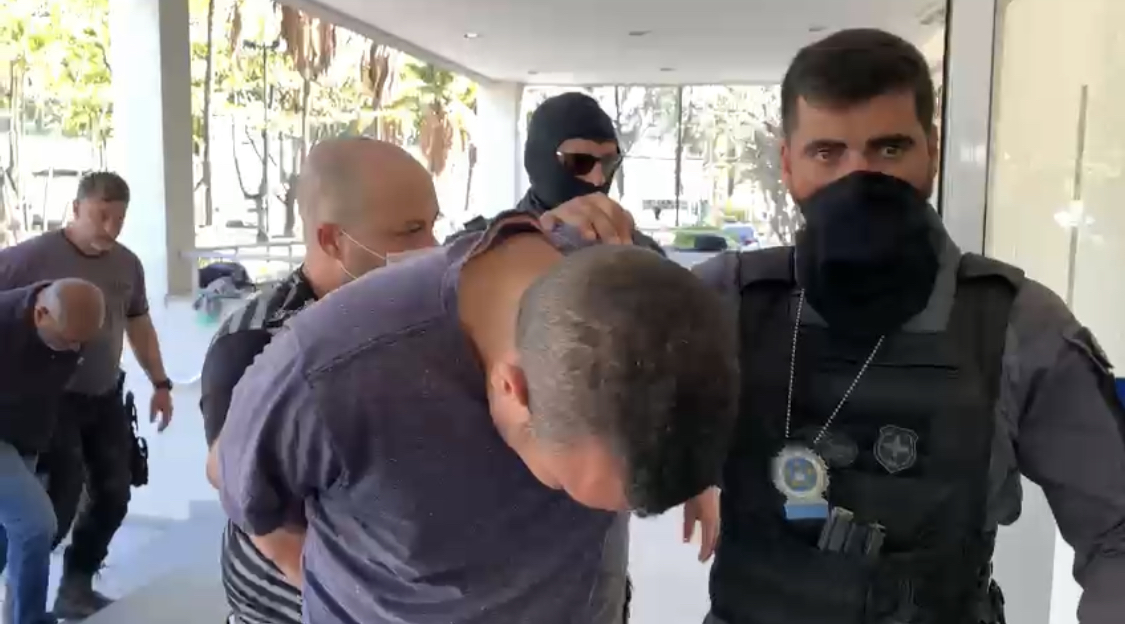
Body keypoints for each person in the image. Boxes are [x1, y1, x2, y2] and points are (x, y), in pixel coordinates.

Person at [555, 27, 1125, 624]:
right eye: (828, 153)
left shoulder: (1018, 327)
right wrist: (562, 243)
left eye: (889, 149)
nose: (859, 178)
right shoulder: (726, 300)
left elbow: (1116, 531)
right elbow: (567, 391)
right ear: (788, 164)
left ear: (932, 152)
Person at [214, 211, 739, 624]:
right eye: (562, 487)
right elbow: (240, 487)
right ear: (513, 390)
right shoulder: (332, 365)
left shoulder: (631, 294)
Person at [199, 137, 441, 624]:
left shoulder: (408, 311)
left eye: (434, 225)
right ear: (332, 239)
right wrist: (361, 602)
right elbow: (259, 512)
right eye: (411, 230)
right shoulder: (258, 343)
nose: (432, 248)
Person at [0, 171, 174, 619]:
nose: (111, 229)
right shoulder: (28, 258)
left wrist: (160, 382)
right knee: (51, 508)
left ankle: (75, 585)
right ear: (76, 209)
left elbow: (138, 322)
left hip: (104, 395)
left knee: (114, 492)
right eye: (101, 216)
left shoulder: (127, 264)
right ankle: (20, 598)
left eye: (119, 219)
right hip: (51, 402)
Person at [0, 279, 105, 624]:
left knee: (11, 537)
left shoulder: (72, 324)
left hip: (25, 434)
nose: (75, 348)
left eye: (81, 342)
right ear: (41, 314)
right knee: (35, 524)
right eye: (67, 340)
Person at [452, 91, 662, 251]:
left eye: (609, 162)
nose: (598, 179)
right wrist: (538, 236)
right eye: (579, 162)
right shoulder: (477, 248)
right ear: (540, 162)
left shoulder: (637, 248)